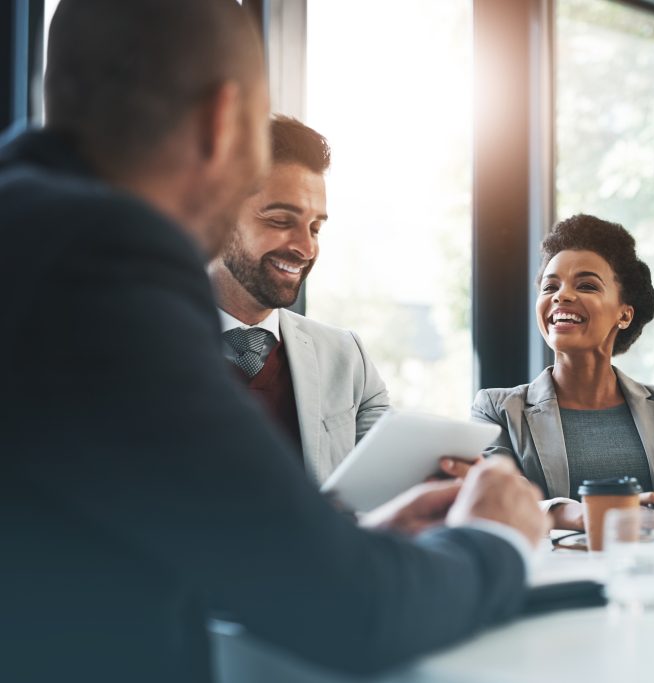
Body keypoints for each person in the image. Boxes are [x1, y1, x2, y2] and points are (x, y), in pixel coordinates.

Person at [0, 1, 548, 681]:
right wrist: (496, 539)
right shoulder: (99, 265)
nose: (305, 242)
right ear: (222, 120)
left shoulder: (29, 226)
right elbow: (351, 612)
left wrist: (339, 543)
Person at [467, 214, 654, 538]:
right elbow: (496, 506)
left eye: (586, 285)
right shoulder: (497, 409)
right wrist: (590, 515)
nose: (561, 295)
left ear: (624, 313)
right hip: (557, 585)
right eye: (550, 286)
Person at [209, 115, 388, 483]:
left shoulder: (347, 358)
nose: (306, 248)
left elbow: (391, 489)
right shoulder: (135, 348)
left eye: (315, 228)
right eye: (279, 221)